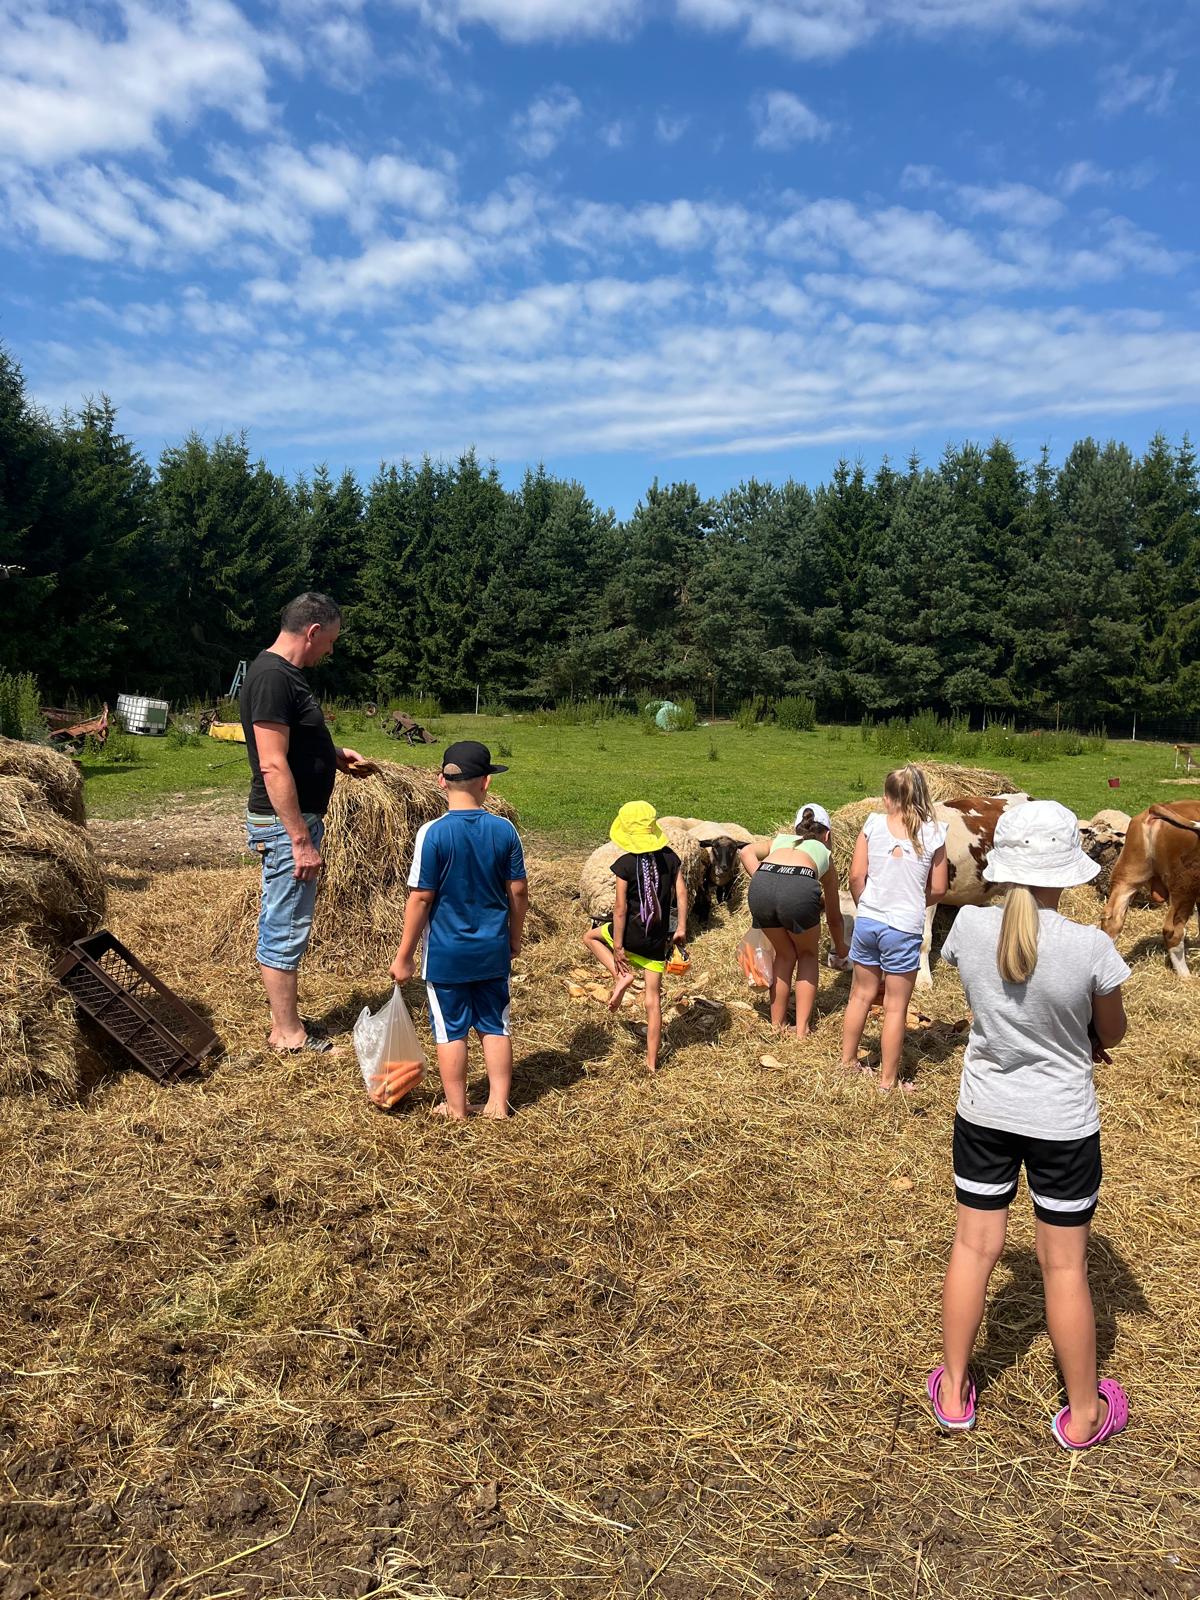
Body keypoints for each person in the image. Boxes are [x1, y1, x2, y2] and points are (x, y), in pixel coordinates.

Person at [928, 800, 1130, 1450]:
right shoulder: (1092, 947)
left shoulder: (968, 929)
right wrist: (1082, 1031)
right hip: (1063, 1122)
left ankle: (954, 1393)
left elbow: (994, 1000)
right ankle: (1083, 1414)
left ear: (1005, 864)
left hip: (985, 1113)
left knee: (972, 1248)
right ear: (1067, 869)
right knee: (1064, 1267)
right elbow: (1113, 1034)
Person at [242, 592, 372, 1054]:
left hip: (291, 824)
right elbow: (272, 763)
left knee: (287, 918)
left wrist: (331, 756)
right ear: (313, 632)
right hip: (286, 827)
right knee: (286, 924)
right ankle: (288, 1034)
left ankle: (286, 1021)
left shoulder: (282, 675)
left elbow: (292, 744)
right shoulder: (273, 678)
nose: (330, 650)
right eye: (331, 640)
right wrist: (299, 839)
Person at [389, 741, 527, 1120]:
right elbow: (518, 892)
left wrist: (404, 956)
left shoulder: (431, 833)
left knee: (450, 1031)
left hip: (446, 956)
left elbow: (420, 898)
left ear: (441, 781)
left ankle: (456, 1107)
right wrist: (514, 937)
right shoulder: (504, 830)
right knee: (495, 1024)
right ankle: (497, 1105)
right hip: (492, 951)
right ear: (486, 783)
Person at [839, 765, 948, 1091]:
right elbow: (939, 888)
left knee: (860, 995)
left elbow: (856, 876)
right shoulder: (935, 833)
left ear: (887, 798)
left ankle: (847, 1062)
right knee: (896, 1007)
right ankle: (887, 1081)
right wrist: (912, 901)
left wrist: (866, 904)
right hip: (904, 927)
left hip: (869, 920)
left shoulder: (872, 824)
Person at [583, 802, 688, 1075]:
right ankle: (651, 1063)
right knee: (653, 1002)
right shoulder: (671, 858)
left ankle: (621, 976)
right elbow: (681, 893)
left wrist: (618, 946)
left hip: (630, 935)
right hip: (656, 941)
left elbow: (619, 909)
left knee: (590, 937)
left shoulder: (625, 864)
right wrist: (681, 927)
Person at [739, 803, 849, 1038]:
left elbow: (745, 851)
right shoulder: (824, 854)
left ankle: (777, 1024)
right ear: (827, 835)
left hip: (761, 887)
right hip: (798, 888)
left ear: (796, 829)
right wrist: (841, 948)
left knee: (785, 954)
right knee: (807, 955)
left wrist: (764, 880)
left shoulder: (780, 840)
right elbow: (833, 917)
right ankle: (801, 1030)